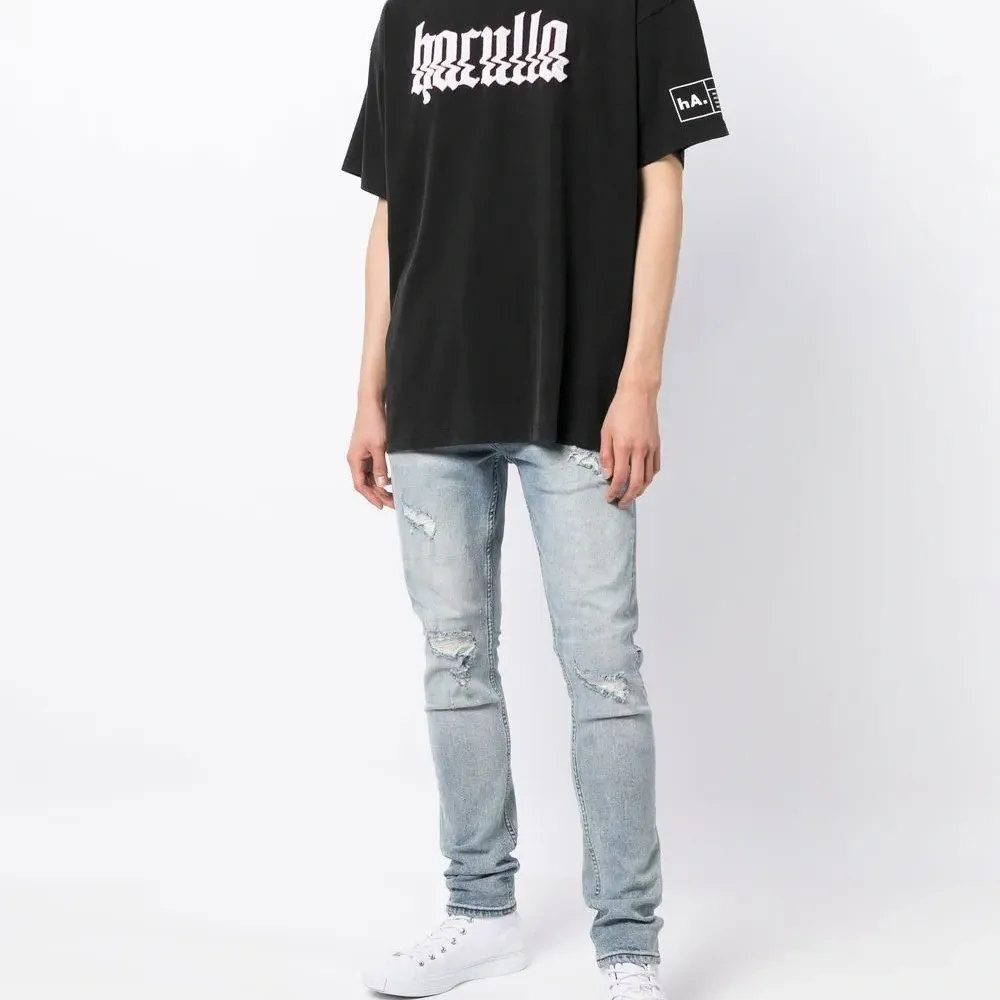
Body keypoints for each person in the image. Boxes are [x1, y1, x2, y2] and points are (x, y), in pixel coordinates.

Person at [342, 1, 728, 996]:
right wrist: (369, 389)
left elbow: (663, 182)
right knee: (454, 660)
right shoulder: (410, 13)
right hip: (432, 390)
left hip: (578, 390)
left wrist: (639, 379)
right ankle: (480, 913)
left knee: (604, 671)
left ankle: (628, 944)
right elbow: (392, 208)